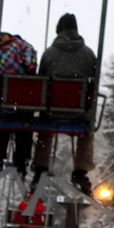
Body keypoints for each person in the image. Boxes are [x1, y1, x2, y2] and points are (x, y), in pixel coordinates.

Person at [32, 13, 97, 195]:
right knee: (87, 131)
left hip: (51, 111)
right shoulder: (88, 54)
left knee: (45, 130)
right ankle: (80, 170)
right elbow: (95, 81)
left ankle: (40, 167)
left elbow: (41, 78)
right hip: (77, 112)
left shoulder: (49, 53)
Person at [0, 32, 37, 182]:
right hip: (20, 104)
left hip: (0, 105)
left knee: (2, 122)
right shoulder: (22, 47)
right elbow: (31, 65)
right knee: (24, 123)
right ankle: (22, 161)